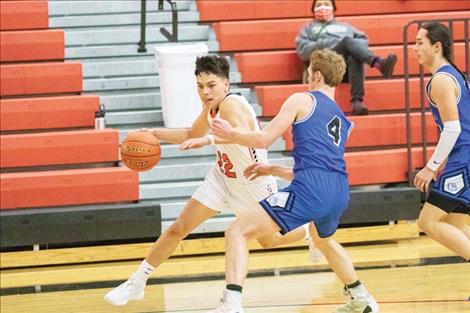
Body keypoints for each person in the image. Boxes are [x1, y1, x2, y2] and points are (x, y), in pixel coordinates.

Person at [104, 55, 321, 306]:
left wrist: (208, 141)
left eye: (211, 85)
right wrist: (151, 133)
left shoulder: (232, 105)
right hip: (222, 178)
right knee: (179, 227)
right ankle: (137, 282)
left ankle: (309, 231)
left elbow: (242, 135)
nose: (205, 92)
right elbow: (190, 133)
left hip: (253, 180)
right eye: (200, 86)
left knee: (268, 240)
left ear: (226, 84)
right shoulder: (211, 107)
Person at [209, 49, 379, 313]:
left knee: (236, 231)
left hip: (311, 190)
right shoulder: (341, 118)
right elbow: (321, 167)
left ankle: (231, 304)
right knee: (323, 240)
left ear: (317, 75)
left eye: (308, 71)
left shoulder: (302, 99)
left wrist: (232, 134)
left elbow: (264, 139)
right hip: (339, 190)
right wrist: (273, 169)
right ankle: (362, 298)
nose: (306, 76)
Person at [412, 22, 470, 260]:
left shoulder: (442, 80)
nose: (414, 48)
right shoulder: (454, 75)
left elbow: (453, 128)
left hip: (464, 155)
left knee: (427, 221)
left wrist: (431, 166)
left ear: (436, 46)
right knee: (457, 224)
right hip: (462, 155)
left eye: (419, 43)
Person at [295, 0, 397, 115]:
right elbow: (303, 52)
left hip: (345, 69)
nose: (323, 7)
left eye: (327, 4)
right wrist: (330, 43)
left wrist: (349, 47)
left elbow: (363, 40)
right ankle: (378, 63)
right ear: (313, 10)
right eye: (319, 5)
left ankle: (357, 103)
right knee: (347, 41)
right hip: (324, 65)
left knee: (354, 55)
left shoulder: (345, 27)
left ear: (333, 8)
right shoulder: (307, 29)